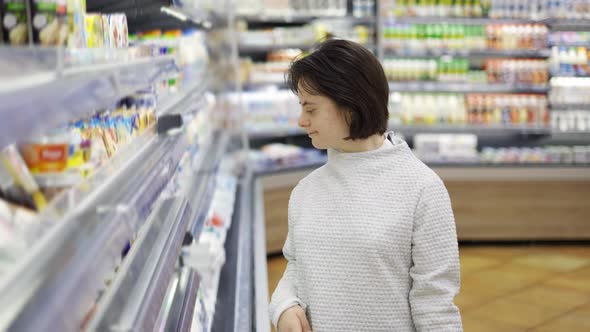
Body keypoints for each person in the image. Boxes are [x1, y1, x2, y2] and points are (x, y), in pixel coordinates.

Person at [268, 39, 463, 332]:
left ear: (351, 105)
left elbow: (435, 307)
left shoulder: (423, 189)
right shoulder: (305, 191)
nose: (301, 121)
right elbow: (297, 266)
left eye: (311, 109)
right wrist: (284, 306)